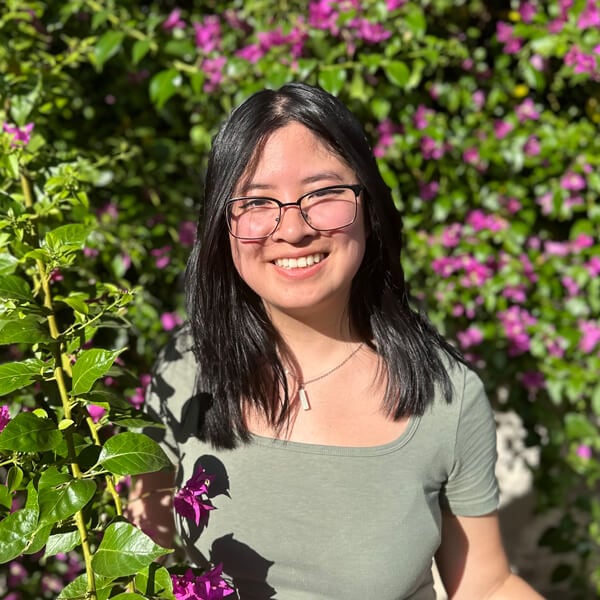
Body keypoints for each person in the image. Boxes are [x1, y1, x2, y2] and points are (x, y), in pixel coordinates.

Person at [130, 82, 544, 599]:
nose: (294, 229)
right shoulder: (184, 372)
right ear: (223, 224)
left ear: (367, 206)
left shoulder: (447, 398)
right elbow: (141, 556)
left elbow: (485, 584)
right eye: (258, 202)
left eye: (323, 194)